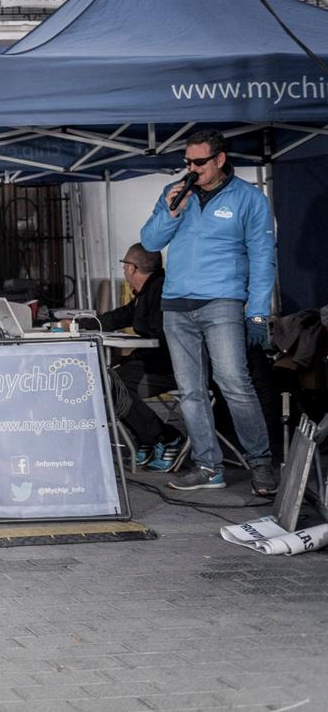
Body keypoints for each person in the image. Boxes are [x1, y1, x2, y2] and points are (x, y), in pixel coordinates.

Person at [140, 130, 278, 495]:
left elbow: (263, 258)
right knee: (190, 392)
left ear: (219, 160)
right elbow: (150, 243)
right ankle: (207, 466)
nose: (192, 168)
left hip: (222, 302)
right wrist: (171, 212)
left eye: (199, 162)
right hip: (176, 305)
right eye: (188, 162)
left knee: (235, 383)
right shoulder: (175, 195)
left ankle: (261, 463)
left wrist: (259, 314)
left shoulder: (248, 198)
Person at [89, 244, 183, 469]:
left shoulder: (160, 290)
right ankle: (148, 438)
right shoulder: (149, 291)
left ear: (131, 268)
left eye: (124, 265)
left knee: (111, 383)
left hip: (171, 366)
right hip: (157, 363)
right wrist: (77, 324)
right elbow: (119, 317)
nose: (123, 270)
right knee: (109, 381)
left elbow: (161, 336)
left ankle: (166, 438)